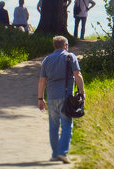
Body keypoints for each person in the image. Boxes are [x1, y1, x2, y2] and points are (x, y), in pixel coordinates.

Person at [38, 35, 83, 164]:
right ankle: (62, 153)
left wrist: (40, 98)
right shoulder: (70, 57)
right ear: (65, 45)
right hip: (66, 97)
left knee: (53, 126)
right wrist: (82, 92)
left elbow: (42, 81)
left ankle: (55, 154)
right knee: (67, 124)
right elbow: (77, 75)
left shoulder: (47, 60)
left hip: (51, 97)